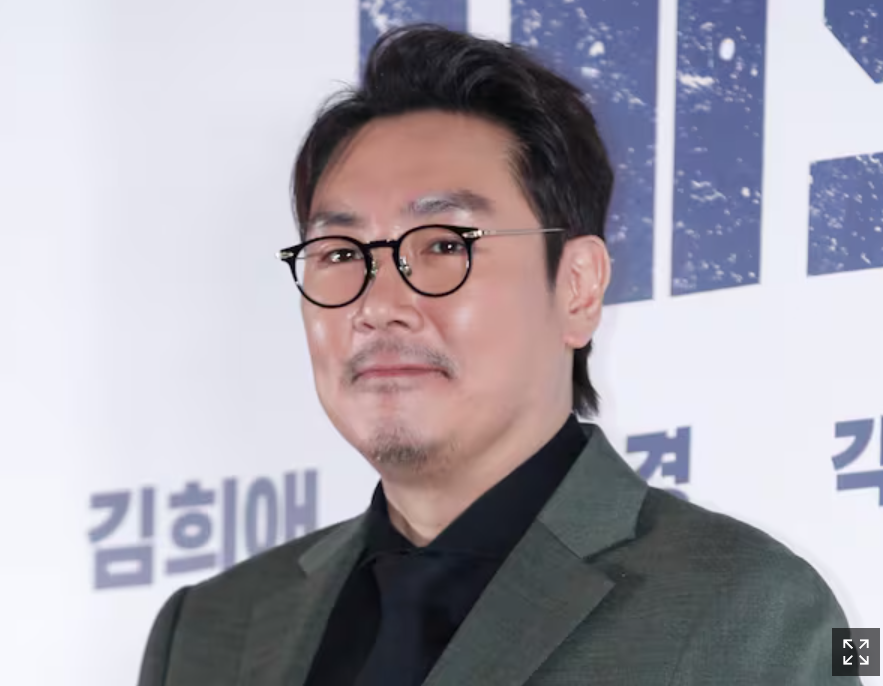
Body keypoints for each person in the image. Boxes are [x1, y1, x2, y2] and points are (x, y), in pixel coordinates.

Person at [138, 24, 860, 686]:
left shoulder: (749, 613)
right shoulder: (207, 630)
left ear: (577, 287)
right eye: (341, 253)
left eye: (444, 245)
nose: (379, 304)